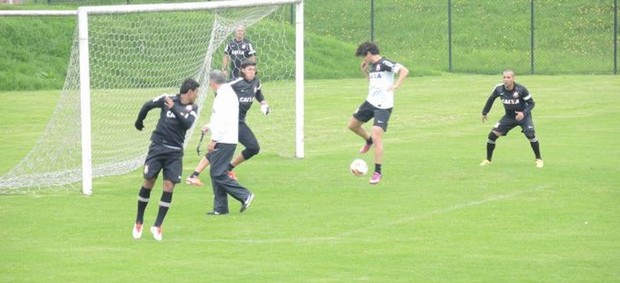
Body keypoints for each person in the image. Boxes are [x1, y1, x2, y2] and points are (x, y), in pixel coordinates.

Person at [131, 78, 200, 241]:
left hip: (174, 153)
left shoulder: (192, 108)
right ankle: (139, 221)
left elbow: (187, 124)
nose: (197, 95)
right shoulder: (167, 99)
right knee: (149, 182)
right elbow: (147, 105)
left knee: (169, 187)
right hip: (157, 148)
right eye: (196, 92)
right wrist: (139, 121)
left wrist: (174, 109)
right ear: (190, 91)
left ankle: (157, 225)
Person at [186, 59, 269, 186]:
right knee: (220, 147)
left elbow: (258, 92)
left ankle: (226, 168)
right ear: (242, 70)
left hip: (239, 122)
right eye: (249, 69)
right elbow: (220, 91)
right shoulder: (235, 82)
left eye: (254, 69)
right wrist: (215, 120)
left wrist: (263, 103)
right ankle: (195, 175)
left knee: (252, 148)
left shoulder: (256, 81)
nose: (252, 72)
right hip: (231, 121)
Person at [348, 42, 409, 185]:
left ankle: (377, 172)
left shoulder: (385, 63)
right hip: (370, 102)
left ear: (369, 53)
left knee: (377, 135)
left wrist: (396, 84)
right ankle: (367, 141)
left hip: (384, 107)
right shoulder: (372, 67)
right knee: (352, 125)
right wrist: (365, 72)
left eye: (364, 56)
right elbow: (374, 83)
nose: (363, 59)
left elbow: (404, 70)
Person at [203, 70, 255, 215]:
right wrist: (209, 126)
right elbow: (221, 117)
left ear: (213, 82)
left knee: (217, 173)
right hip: (226, 137)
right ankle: (220, 208)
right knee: (216, 171)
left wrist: (214, 139)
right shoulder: (227, 93)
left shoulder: (223, 95)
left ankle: (245, 195)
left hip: (224, 139)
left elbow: (222, 120)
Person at [480, 69, 543, 168]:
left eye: (508, 77)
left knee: (530, 134)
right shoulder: (499, 89)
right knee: (492, 135)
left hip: (523, 116)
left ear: (513, 78)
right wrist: (484, 112)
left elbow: (531, 103)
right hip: (509, 117)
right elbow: (491, 99)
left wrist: (523, 113)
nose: (506, 79)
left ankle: (538, 159)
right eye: (504, 77)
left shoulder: (521, 89)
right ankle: (488, 159)